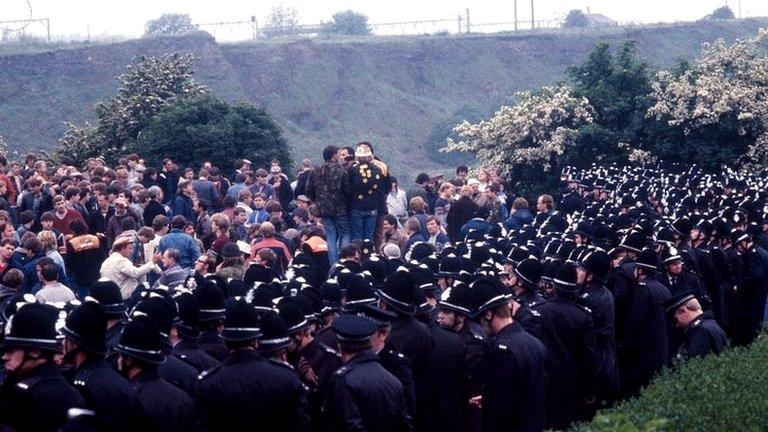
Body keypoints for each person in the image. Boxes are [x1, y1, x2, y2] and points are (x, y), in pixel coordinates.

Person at [198, 302, 310, 431]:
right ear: (256, 342)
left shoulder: (210, 384)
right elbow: (302, 425)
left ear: (226, 341)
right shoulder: (286, 377)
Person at [470, 277, 546, 432]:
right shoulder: (534, 342)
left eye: (480, 318)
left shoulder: (501, 352)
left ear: (488, 314)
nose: (480, 325)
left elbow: (501, 410)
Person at [0, 302, 86, 431]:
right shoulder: (15, 387)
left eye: (12, 350)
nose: (4, 356)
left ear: (35, 352)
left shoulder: (43, 399)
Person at [61, 301, 144, 432]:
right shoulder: (123, 384)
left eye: (66, 337)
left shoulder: (80, 389)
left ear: (74, 343)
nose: (63, 343)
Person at [536, 262, 599, 430]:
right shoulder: (583, 316)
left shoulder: (540, 311)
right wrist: (589, 391)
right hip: (571, 384)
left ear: (554, 286)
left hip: (545, 380)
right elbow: (589, 358)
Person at [325, 313, 412, 432]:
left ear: (340, 346)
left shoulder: (343, 380)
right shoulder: (393, 380)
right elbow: (404, 424)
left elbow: (349, 425)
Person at [114, 315, 196, 431]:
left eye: (120, 355)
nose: (118, 360)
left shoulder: (127, 400)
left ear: (128, 360)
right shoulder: (182, 397)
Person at [667, 293, 728, 359]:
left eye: (676, 319)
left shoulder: (700, 331)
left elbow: (695, 363)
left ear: (683, 310)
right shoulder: (712, 324)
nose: (677, 325)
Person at [100, 233, 162, 299]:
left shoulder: (108, 260)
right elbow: (135, 273)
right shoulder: (121, 261)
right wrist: (153, 262)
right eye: (129, 248)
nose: (131, 251)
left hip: (112, 296)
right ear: (122, 248)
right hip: (123, 297)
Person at [348, 144, 384, 242]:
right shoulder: (378, 170)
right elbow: (381, 189)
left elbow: (348, 189)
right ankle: (368, 255)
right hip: (372, 207)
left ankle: (357, 255)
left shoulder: (352, 170)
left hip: (356, 207)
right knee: (369, 237)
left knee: (357, 237)